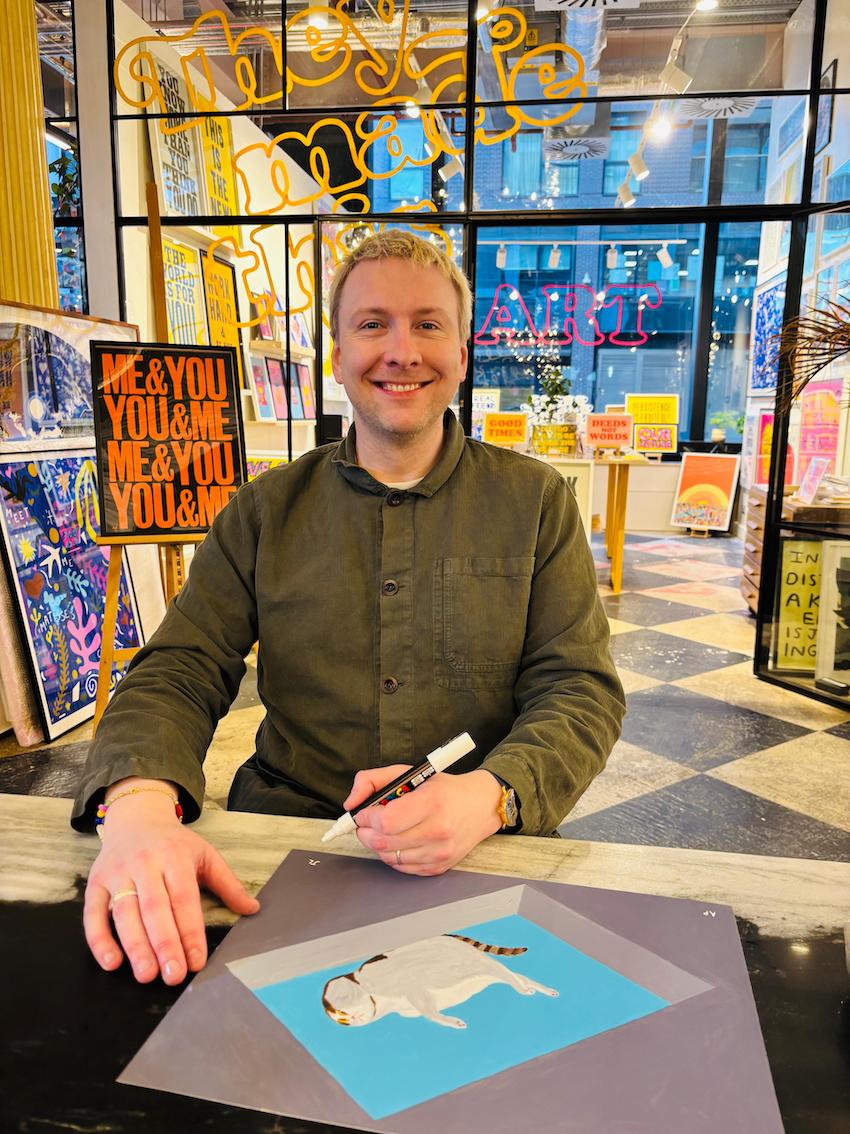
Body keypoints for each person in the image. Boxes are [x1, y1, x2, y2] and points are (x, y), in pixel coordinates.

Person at [72, 230, 625, 986]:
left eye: (428, 324)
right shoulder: (265, 511)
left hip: (485, 841)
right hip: (290, 837)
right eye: (373, 324)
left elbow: (579, 689)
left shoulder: (537, 505)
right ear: (336, 357)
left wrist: (491, 796)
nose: (401, 351)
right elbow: (181, 665)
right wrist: (136, 806)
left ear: (462, 354)